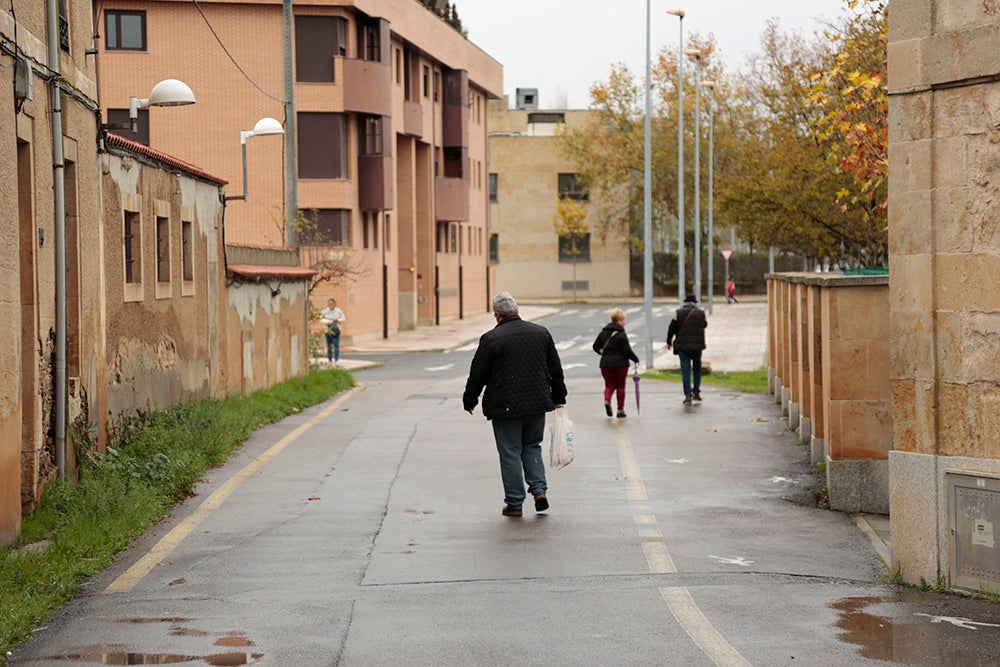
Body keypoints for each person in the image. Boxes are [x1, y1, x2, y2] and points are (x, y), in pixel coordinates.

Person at [463, 292, 567, 517]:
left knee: (510, 452)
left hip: (505, 405)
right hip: (537, 402)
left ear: (497, 314)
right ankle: (539, 490)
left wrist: (470, 400)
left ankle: (515, 503)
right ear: (517, 310)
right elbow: (555, 368)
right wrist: (559, 397)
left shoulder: (491, 339)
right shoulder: (541, 333)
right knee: (532, 445)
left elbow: (478, 373)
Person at [593, 308, 639, 418]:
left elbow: (595, 347)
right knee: (620, 386)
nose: (624, 322)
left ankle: (607, 400)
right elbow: (627, 350)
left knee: (609, 385)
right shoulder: (621, 334)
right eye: (623, 320)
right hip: (621, 363)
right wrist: (635, 359)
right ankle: (620, 410)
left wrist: (603, 353)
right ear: (619, 320)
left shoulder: (603, 333)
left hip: (605, 363)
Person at [666, 293, 708, 405]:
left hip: (683, 346)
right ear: (695, 302)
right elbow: (704, 325)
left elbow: (672, 328)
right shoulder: (701, 313)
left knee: (685, 370)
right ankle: (696, 392)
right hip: (697, 346)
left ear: (685, 302)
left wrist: (669, 341)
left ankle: (688, 394)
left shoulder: (678, 313)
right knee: (697, 369)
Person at [320, 298, 345, 365]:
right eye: (329, 304)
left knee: (336, 345)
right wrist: (328, 322)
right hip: (327, 331)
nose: (330, 305)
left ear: (335, 304)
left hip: (336, 331)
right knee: (329, 346)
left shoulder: (339, 311)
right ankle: (329, 360)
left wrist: (338, 320)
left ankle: (336, 360)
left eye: (332, 304)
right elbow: (320, 319)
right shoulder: (325, 311)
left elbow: (343, 319)